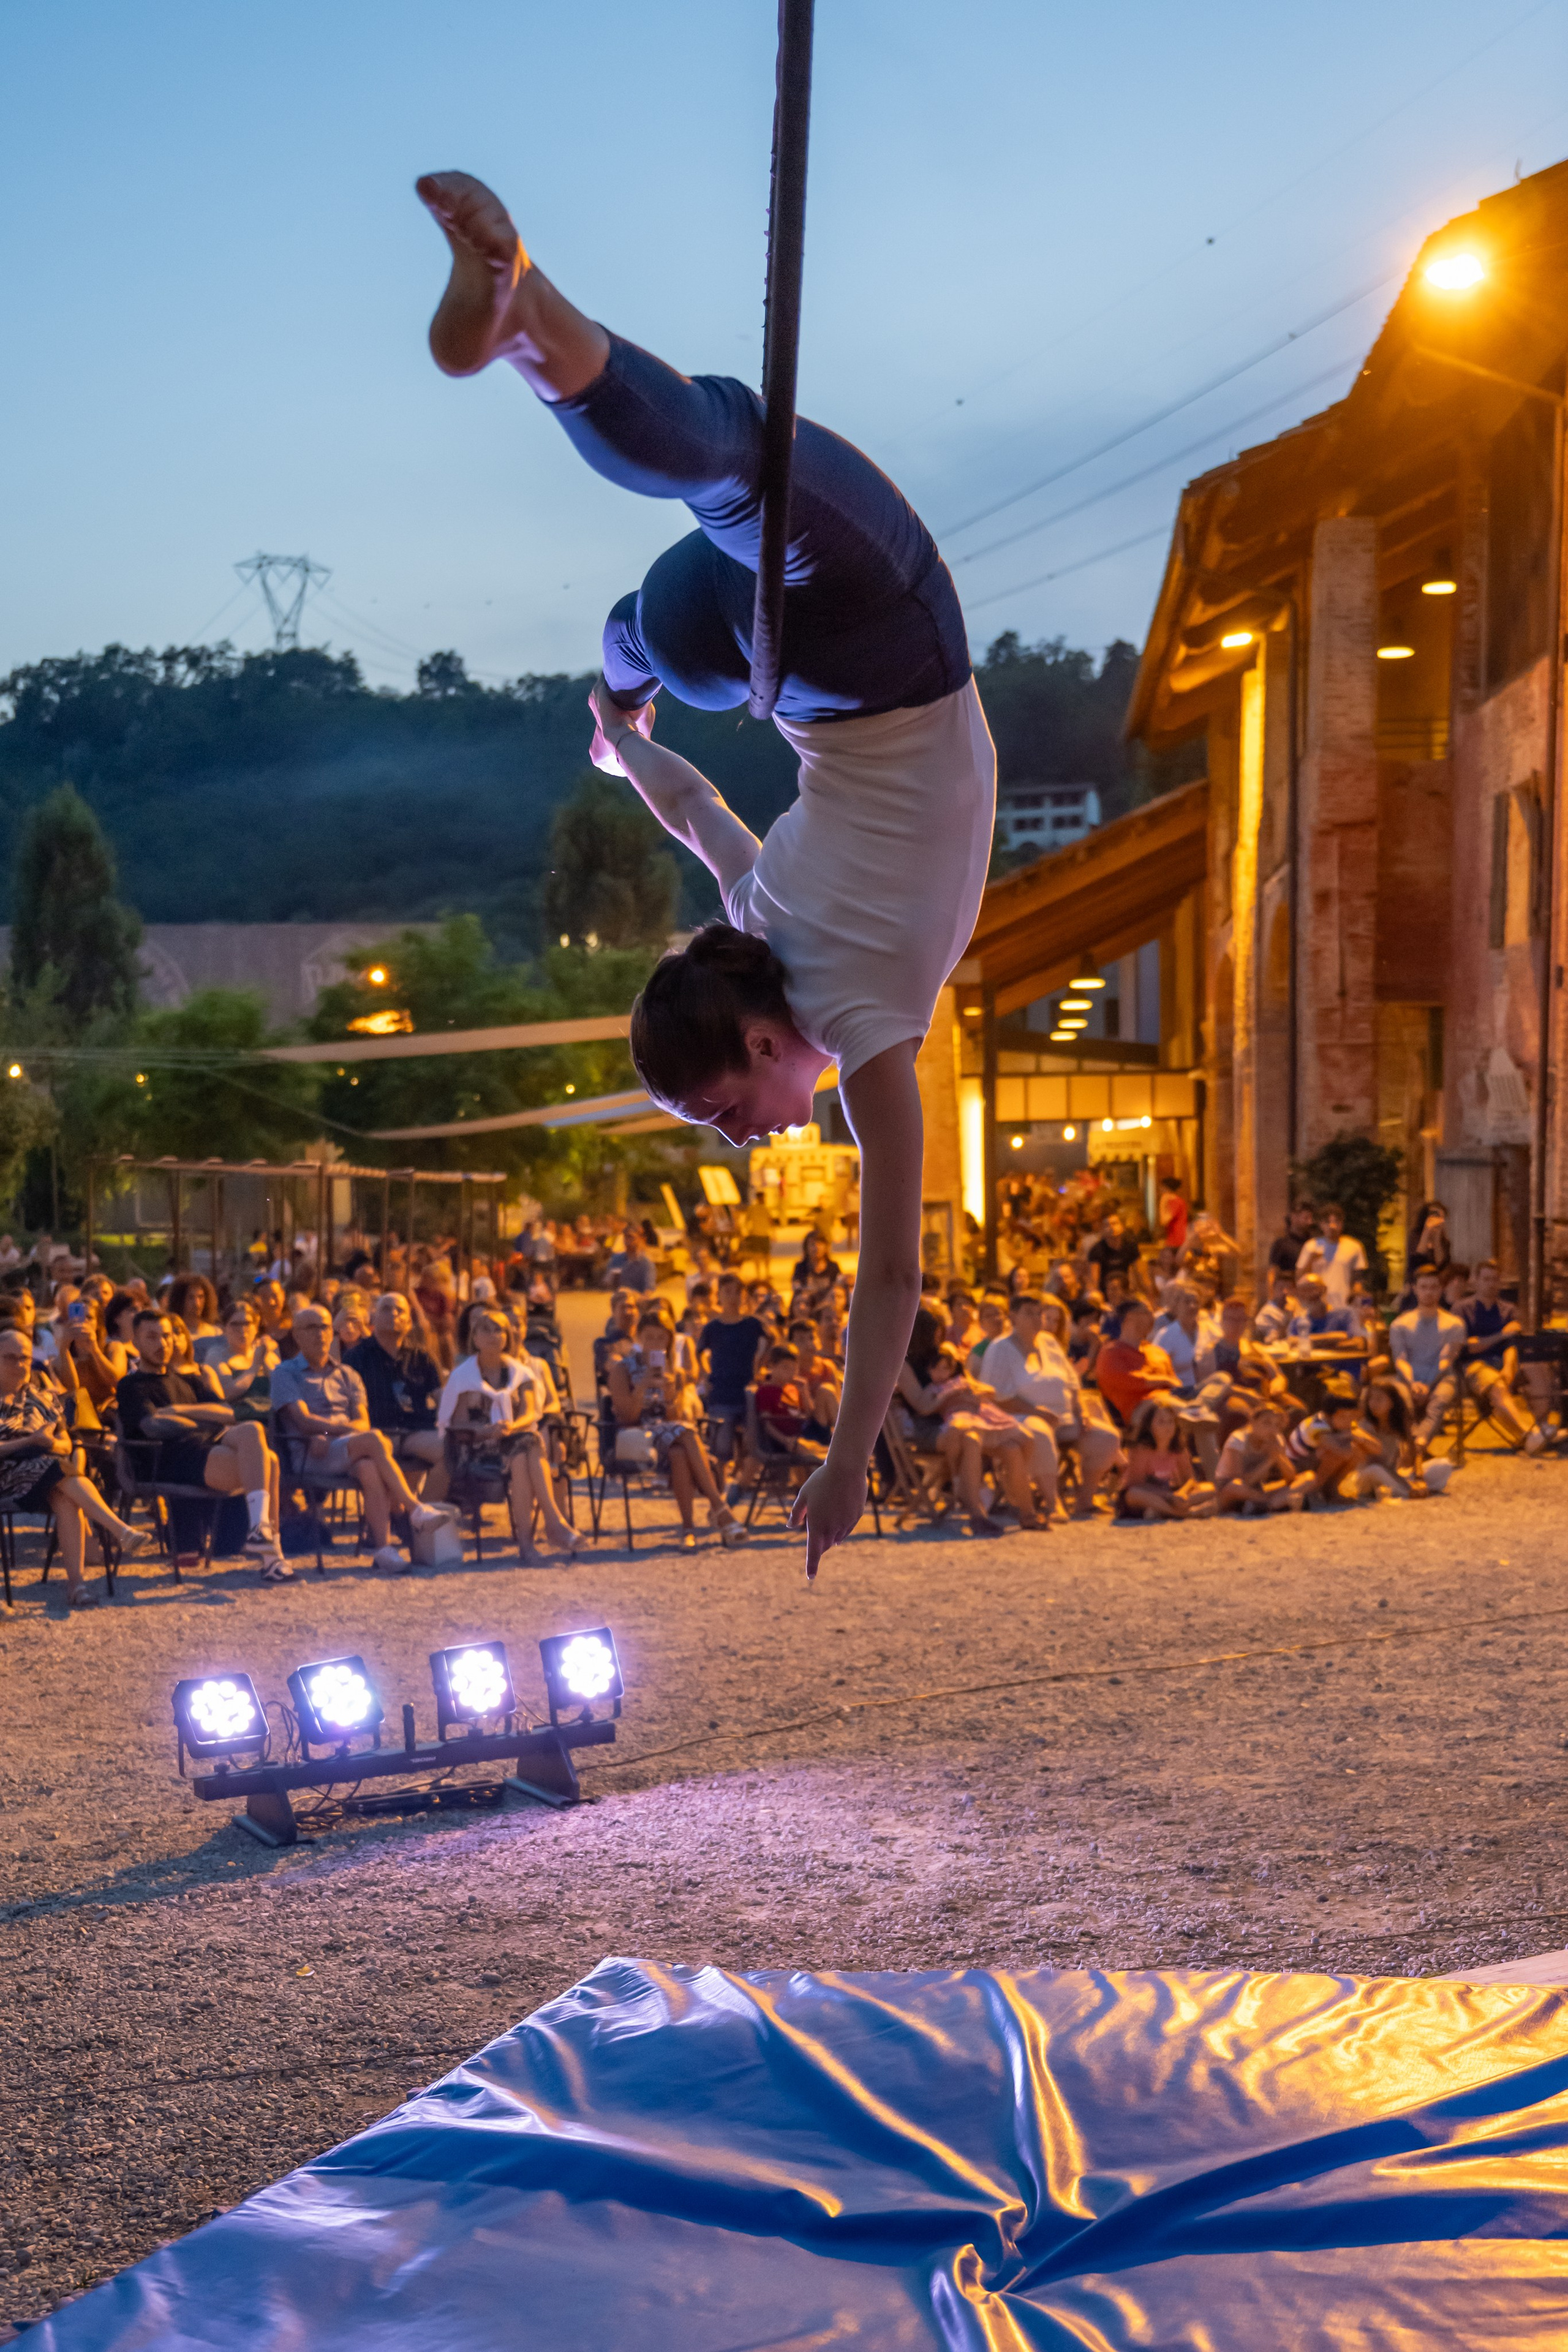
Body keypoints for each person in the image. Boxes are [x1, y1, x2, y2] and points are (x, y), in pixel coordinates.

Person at [416, 171, 992, 1584]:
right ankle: (601, 626)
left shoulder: (862, 1038)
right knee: (672, 586)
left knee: (736, 467)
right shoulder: (763, 929)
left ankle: (529, 320)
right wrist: (615, 748)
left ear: (753, 1040)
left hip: (874, 626)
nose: (738, 1135)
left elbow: (891, 1277)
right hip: (794, 662)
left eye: (718, 1106)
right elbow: (693, 811)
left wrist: (847, 1458)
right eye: (719, 1120)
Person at [271, 1305, 453, 1573]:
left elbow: (362, 1422)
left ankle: (383, 1550)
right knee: (375, 1440)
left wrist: (329, 1432)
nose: (320, 1334)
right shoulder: (285, 1373)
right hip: (310, 1455)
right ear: (296, 1336)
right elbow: (303, 1421)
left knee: (369, 1465)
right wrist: (328, 1433)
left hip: (342, 1448)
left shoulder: (347, 1374)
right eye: (311, 1328)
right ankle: (414, 1507)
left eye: (324, 1327)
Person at [116, 1310, 287, 1577]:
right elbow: (154, 1427)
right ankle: (271, 1557)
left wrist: (181, 1411)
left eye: (167, 1336)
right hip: (170, 1460)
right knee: (269, 1461)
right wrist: (204, 1420)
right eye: (152, 1337)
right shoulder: (131, 1385)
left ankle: (263, 1536)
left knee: (255, 1433)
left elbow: (229, 1414)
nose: (162, 1344)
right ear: (135, 1342)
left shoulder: (189, 1380)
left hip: (205, 1451)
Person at [0, 1327, 149, 1604]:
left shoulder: (41, 1397)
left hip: (43, 1470)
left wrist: (48, 1444)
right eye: (10, 1358)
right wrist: (29, 1442)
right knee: (62, 1478)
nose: (20, 1365)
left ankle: (77, 1586)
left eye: (24, 1358)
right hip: (5, 1474)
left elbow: (66, 1444)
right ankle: (119, 1531)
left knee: (65, 1498)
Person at [437, 1305, 582, 1560]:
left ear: (507, 1337)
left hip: (513, 1440)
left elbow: (530, 1413)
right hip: (475, 1449)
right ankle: (550, 1524)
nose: (494, 1335)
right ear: (475, 1337)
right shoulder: (463, 1377)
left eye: (499, 1330)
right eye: (486, 1330)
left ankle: (533, 1540)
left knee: (524, 1450)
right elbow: (458, 1426)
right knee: (527, 1449)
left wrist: (510, 1427)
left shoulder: (520, 1373)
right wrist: (488, 1431)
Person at [608, 1311, 747, 1549]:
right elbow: (627, 1417)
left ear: (669, 1341)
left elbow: (675, 1418)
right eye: (649, 1338)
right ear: (639, 1337)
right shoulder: (622, 1369)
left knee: (680, 1453)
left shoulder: (676, 1373)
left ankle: (688, 1531)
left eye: (661, 1339)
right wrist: (641, 1387)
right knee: (687, 1434)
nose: (654, 1344)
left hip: (670, 1438)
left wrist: (671, 1395)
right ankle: (719, 1507)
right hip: (637, 1438)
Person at [345, 1292, 448, 1495]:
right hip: (376, 1433)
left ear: (409, 1323)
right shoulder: (356, 1357)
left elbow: (442, 1399)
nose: (393, 1314)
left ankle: (422, 1514)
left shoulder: (423, 1357)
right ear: (373, 1319)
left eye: (400, 1310)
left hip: (415, 1431)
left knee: (452, 1453)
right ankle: (403, 1512)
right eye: (386, 1309)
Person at [1458, 1259, 1545, 1452]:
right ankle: (1529, 1434)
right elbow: (1469, 1347)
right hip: (1475, 1365)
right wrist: (1501, 1335)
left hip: (1505, 1363)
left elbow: (1512, 1345)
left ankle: (1544, 1428)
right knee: (1496, 1384)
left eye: (1495, 1279)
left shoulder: (1509, 1310)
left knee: (1536, 1369)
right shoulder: (1462, 1309)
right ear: (1476, 1281)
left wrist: (1508, 1367)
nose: (1491, 1284)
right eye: (1486, 1279)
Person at [1389, 1267, 1466, 1453]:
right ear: (1415, 1289)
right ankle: (1413, 1445)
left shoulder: (1454, 1324)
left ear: (1441, 1290)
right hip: (1408, 1377)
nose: (1429, 1292)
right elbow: (1400, 1360)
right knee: (1402, 1401)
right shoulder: (1400, 1324)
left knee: (1438, 1402)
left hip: (1441, 1376)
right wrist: (1413, 1383)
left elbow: (1446, 1360)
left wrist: (1429, 1384)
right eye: (1424, 1287)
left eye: (1433, 1287)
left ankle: (1418, 1444)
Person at [698, 1274, 768, 1461]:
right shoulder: (712, 1328)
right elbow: (700, 1352)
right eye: (727, 1292)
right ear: (719, 1295)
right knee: (721, 1449)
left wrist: (760, 1367)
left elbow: (773, 1341)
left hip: (748, 1390)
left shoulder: (753, 1324)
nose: (733, 1297)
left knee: (755, 1445)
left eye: (738, 1292)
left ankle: (742, 1483)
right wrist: (706, 1375)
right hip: (722, 1391)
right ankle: (719, 1485)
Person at [1117, 1400, 1214, 1521]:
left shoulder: (1179, 1448)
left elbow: (1189, 1480)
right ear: (1150, 1426)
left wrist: (1182, 1494)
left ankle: (1163, 1511)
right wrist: (1168, 1496)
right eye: (1161, 1422)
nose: (1167, 1427)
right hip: (1149, 1495)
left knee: (1210, 1488)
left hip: (1172, 1493)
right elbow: (1135, 1484)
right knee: (1133, 1494)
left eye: (1171, 1422)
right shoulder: (1141, 1449)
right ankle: (1180, 1513)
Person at [1213, 1400, 1302, 1514]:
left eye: (1277, 1425)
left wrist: (1278, 1456)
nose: (1272, 1429)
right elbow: (1243, 1481)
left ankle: (1266, 1504)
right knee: (1235, 1486)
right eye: (1267, 1423)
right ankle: (1271, 1503)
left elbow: (1291, 1478)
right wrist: (1270, 1461)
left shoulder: (1277, 1440)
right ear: (1253, 1422)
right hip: (1232, 1490)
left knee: (1308, 1478)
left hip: (1258, 1489)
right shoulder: (1238, 1440)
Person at [1295, 1204, 1368, 1313]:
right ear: (1321, 1225)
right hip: (1316, 1307)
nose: (1332, 1226)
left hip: (1343, 1305)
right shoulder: (1311, 1246)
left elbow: (1358, 1279)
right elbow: (1299, 1278)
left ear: (1342, 1224)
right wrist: (1311, 1260)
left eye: (1336, 1222)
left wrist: (1357, 1299)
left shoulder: (1354, 1247)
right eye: (1328, 1222)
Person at [1287, 1275, 1358, 1344]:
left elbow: (1356, 1341)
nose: (1305, 1295)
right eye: (1301, 1290)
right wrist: (1335, 1338)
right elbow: (1292, 1341)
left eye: (1311, 1288)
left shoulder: (1345, 1315)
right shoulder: (1297, 1323)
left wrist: (1305, 1341)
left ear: (1324, 1290)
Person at [1269, 1202, 1316, 1281]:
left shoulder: (1313, 1243)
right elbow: (1273, 1272)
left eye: (1311, 1218)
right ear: (1294, 1218)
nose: (1310, 1222)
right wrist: (1272, 1292)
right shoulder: (1281, 1244)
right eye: (1306, 1218)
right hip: (1289, 1289)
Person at [1157, 1174, 1189, 1254]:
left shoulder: (1176, 1202)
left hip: (1178, 1241)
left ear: (1166, 1188)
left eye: (1161, 1187)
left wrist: (1163, 1203)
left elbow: (1164, 1221)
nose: (1159, 1190)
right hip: (1173, 1240)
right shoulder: (1174, 1201)